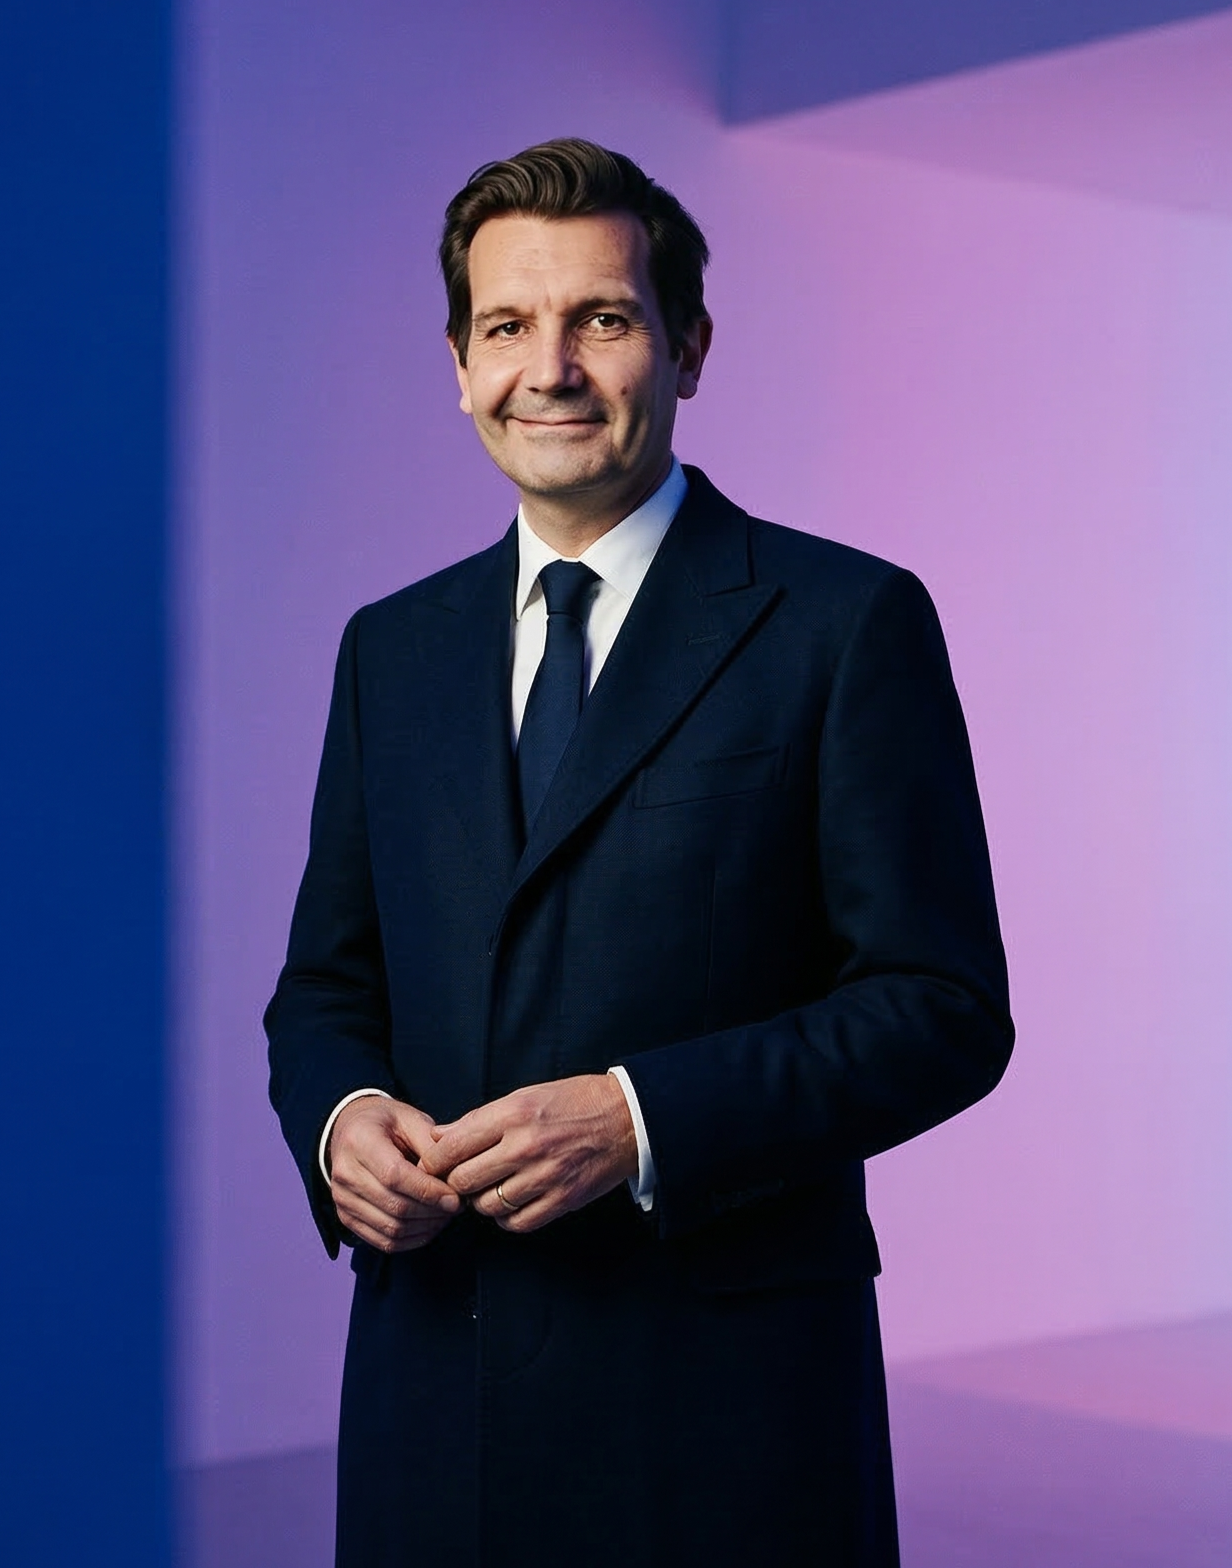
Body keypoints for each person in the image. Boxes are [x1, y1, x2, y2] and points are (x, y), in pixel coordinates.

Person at [264, 137, 1012, 1568]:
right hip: (439, 1398)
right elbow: (325, 982)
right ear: (460, 362)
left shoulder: (842, 622)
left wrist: (639, 1117)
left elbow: (942, 1006)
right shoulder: (392, 650)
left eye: (601, 319)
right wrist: (341, 1116)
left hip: (722, 1417)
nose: (549, 366)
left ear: (689, 346)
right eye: (506, 326)